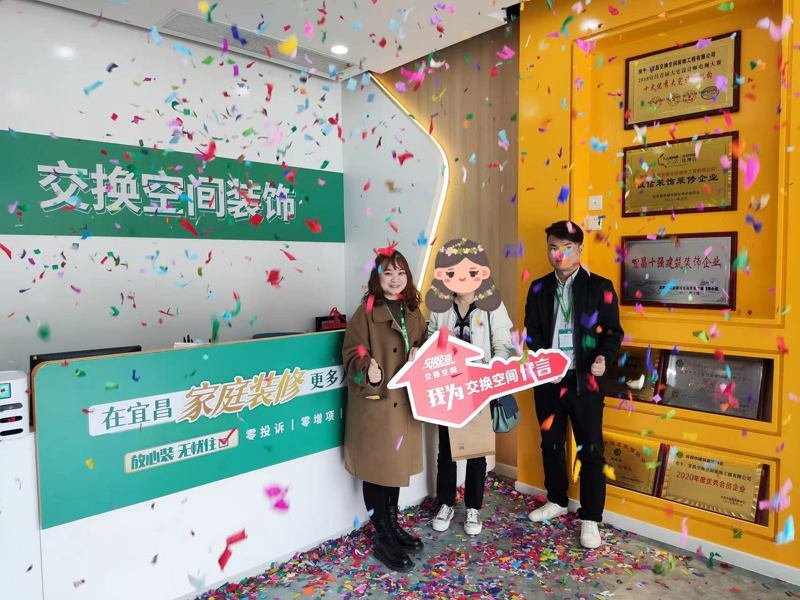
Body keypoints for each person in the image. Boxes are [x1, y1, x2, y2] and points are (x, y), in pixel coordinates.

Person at [523, 221, 623, 549]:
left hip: (585, 381)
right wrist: (542, 363)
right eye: (553, 248)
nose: (559, 254)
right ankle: (556, 499)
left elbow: (613, 332)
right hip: (548, 381)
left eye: (566, 248)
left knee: (590, 450)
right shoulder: (538, 287)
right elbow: (532, 331)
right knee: (551, 444)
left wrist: (604, 358)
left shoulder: (600, 287)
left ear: (580, 249)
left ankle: (591, 518)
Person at [341, 248, 428, 573]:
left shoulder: (412, 310)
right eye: (388, 273)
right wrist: (367, 370)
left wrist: (420, 348)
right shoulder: (364, 313)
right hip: (376, 405)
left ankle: (393, 526)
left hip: (403, 404)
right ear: (377, 278)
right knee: (378, 472)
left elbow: (426, 340)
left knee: (394, 470)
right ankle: (382, 537)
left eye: (401, 272)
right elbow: (351, 354)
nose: (395, 279)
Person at [425, 238, 513, 536]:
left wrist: (490, 372)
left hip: (479, 387)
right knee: (446, 448)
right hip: (448, 387)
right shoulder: (441, 307)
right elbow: (431, 339)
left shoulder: (492, 305)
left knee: (477, 449)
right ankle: (446, 503)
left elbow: (503, 345)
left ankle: (473, 507)